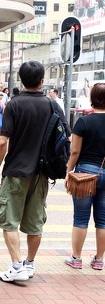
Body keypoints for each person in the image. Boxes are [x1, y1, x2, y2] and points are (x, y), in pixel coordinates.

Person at [0, 61, 69, 282]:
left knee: (8, 220)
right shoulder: (53, 105)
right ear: (42, 81)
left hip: (16, 171)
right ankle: (29, 264)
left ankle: (16, 266)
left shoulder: (14, 105)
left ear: (21, 80)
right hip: (42, 173)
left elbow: (2, 141)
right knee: (35, 223)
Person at [64, 83, 105, 270]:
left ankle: (76, 258)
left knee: (80, 218)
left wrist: (68, 172)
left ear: (92, 98)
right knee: (102, 220)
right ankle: (98, 260)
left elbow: (74, 152)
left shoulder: (83, 122)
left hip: (85, 173)